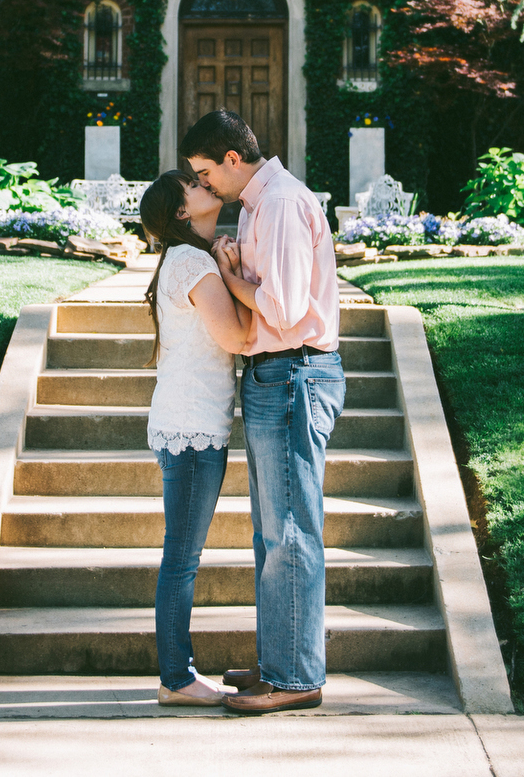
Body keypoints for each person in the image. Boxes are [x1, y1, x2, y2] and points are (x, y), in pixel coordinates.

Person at [181, 109, 342, 715]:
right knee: (273, 530)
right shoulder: (258, 205)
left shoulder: (274, 204)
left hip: (295, 372)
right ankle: (282, 657)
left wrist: (226, 270)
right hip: (279, 373)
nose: (204, 187)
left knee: (291, 530)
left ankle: (296, 675)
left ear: (230, 158)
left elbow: (281, 305)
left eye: (204, 173)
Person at [136, 168, 254, 706]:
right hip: (191, 428)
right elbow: (236, 336)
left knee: (183, 555)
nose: (205, 184)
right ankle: (176, 679)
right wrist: (235, 276)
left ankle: (176, 675)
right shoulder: (190, 260)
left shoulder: (187, 259)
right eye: (193, 185)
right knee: (181, 559)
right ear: (182, 212)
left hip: (193, 422)